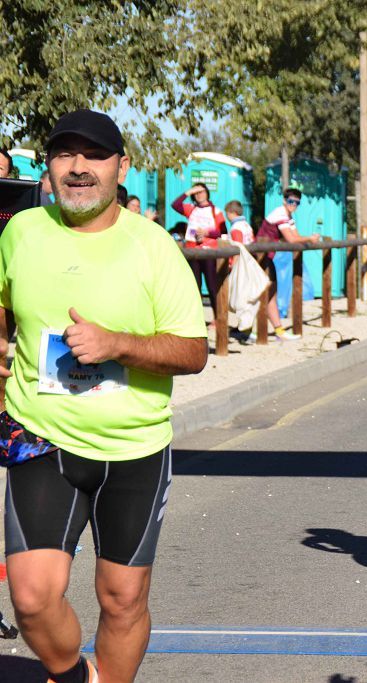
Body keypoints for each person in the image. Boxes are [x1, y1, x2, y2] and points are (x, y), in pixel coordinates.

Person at [1, 109, 208, 683]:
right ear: (47, 168)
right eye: (65, 155)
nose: (78, 168)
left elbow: (193, 351)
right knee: (33, 598)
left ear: (121, 166)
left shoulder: (154, 246)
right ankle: (71, 676)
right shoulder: (20, 233)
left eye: (93, 155)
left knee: (121, 598)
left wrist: (114, 344)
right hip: (42, 436)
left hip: (134, 447)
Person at [254, 188, 320, 341]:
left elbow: (295, 236)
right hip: (261, 256)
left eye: (297, 203)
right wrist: (310, 238)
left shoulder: (288, 215)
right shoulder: (280, 214)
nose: (293, 205)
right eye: (291, 201)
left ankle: (278, 330)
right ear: (284, 201)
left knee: (271, 293)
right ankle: (253, 330)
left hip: (266, 256)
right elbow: (291, 239)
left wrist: (308, 239)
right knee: (263, 293)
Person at [171, 182, 225, 329]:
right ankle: (196, 320)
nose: (199, 194)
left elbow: (223, 231)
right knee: (194, 287)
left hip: (208, 251)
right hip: (193, 250)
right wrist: (188, 192)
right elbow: (175, 205)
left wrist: (208, 233)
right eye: (197, 192)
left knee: (212, 286)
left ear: (207, 193)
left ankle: (218, 319)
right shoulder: (191, 209)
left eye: (202, 191)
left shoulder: (216, 211)